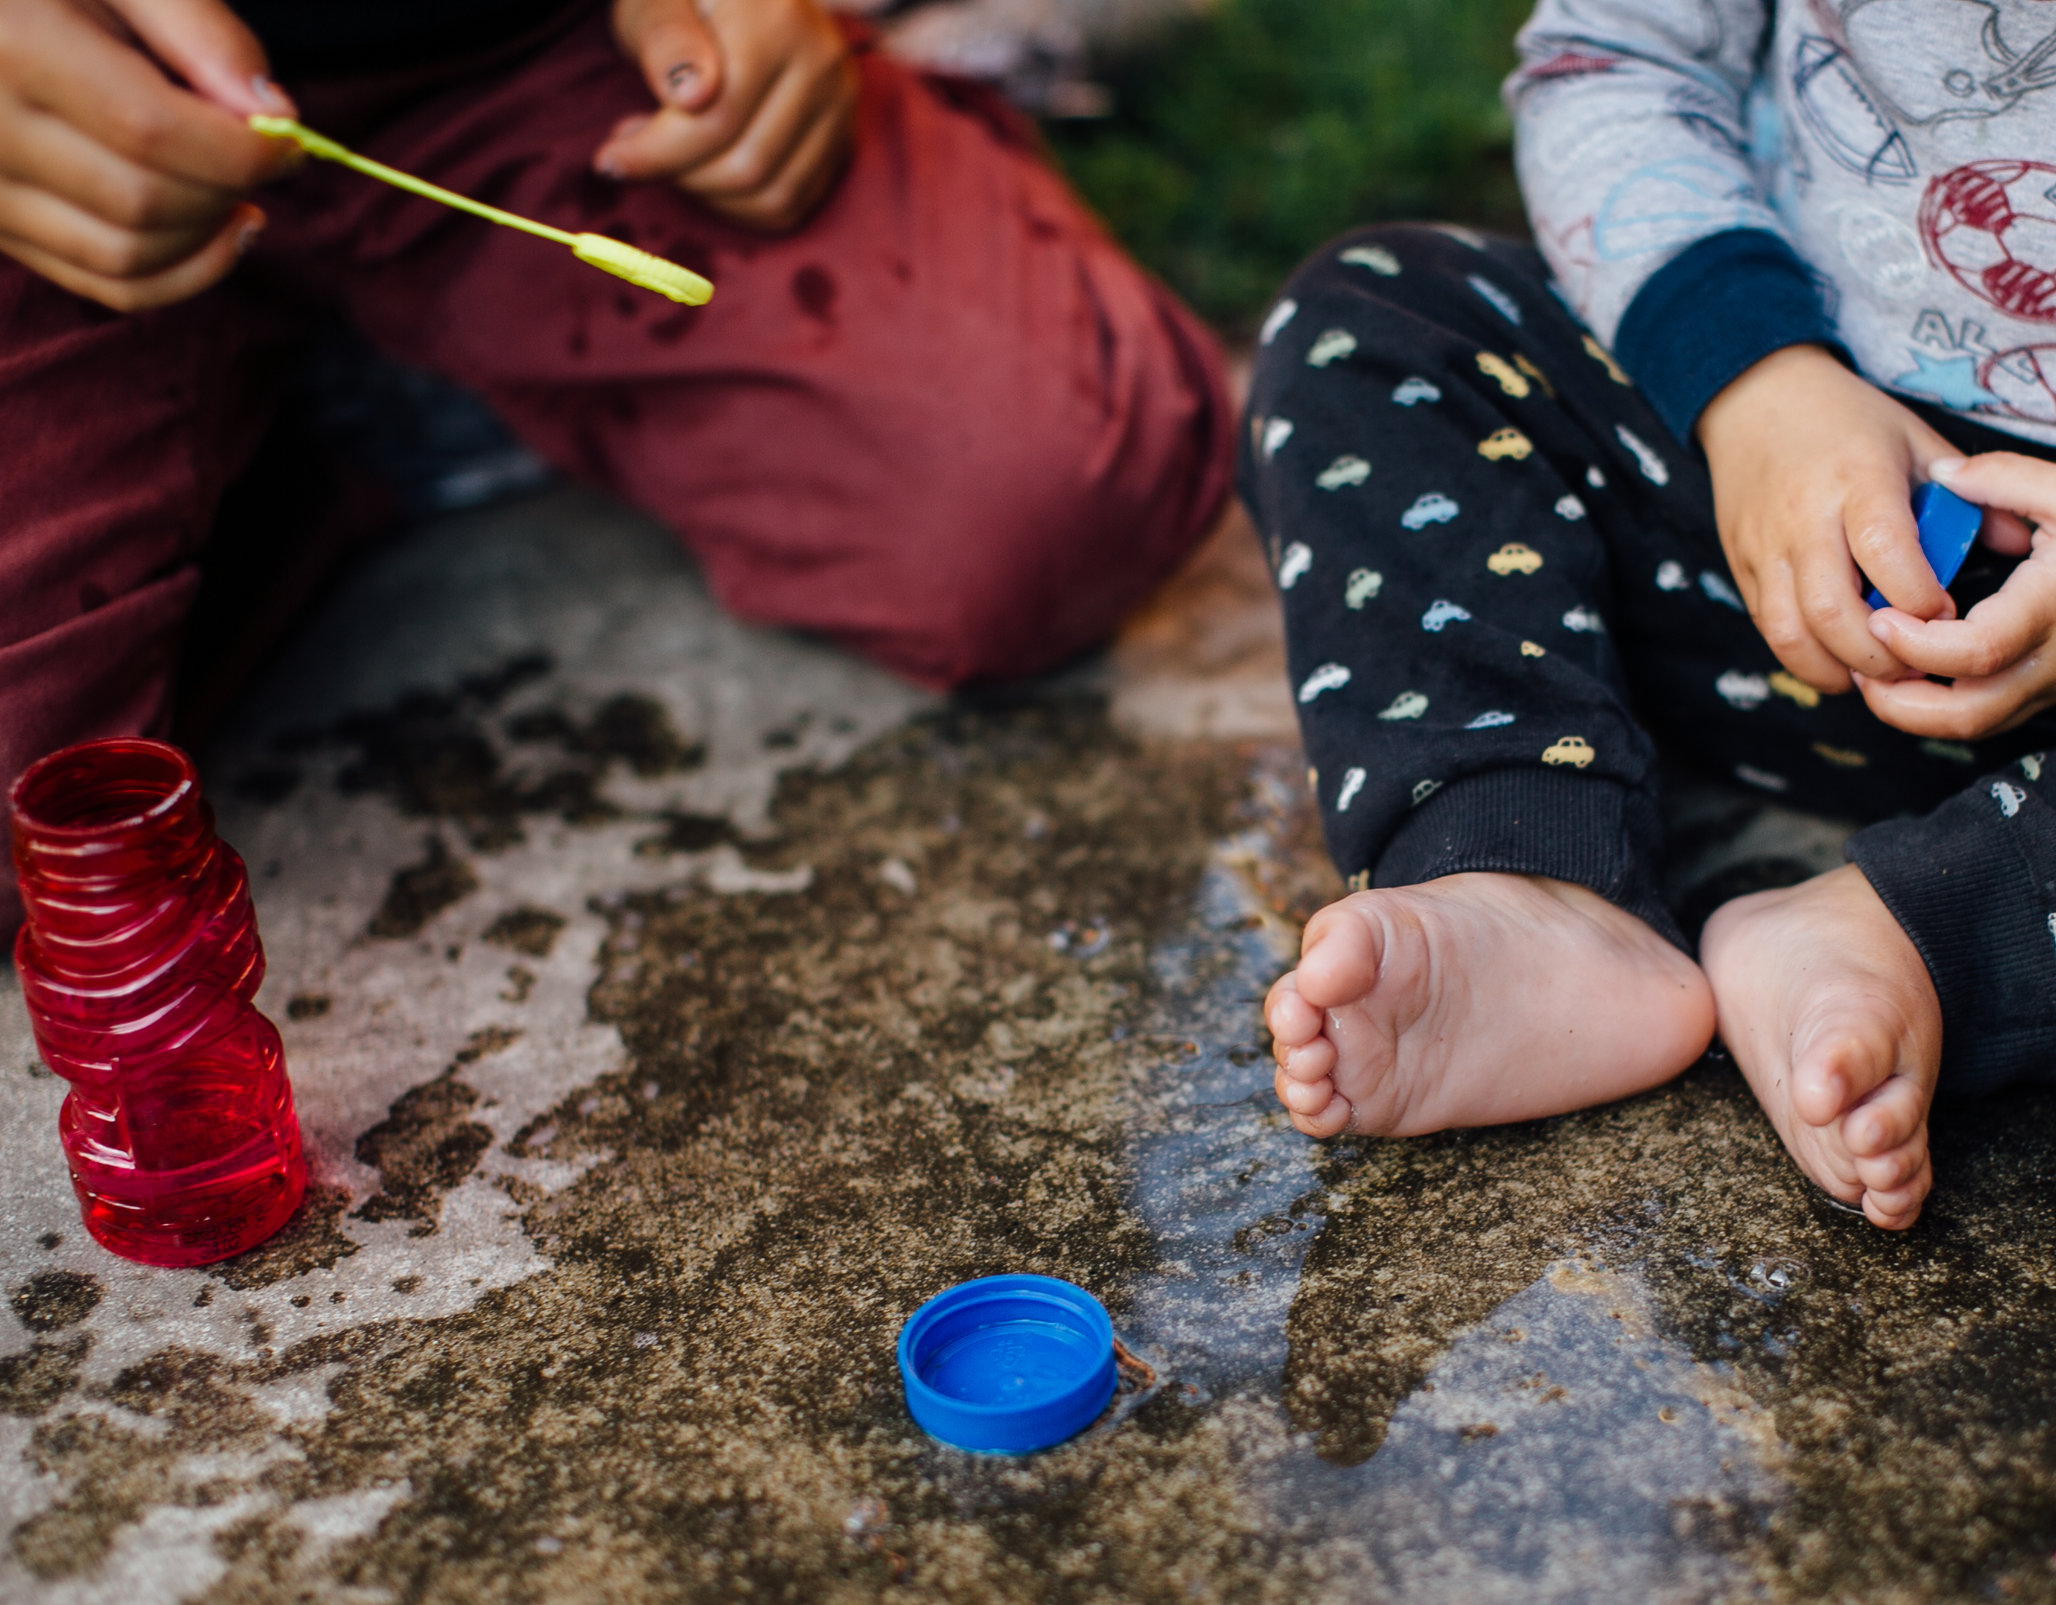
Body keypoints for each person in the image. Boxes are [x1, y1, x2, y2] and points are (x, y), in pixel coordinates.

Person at [1244, 0, 2056, 1228]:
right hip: (1777, 533)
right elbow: (1611, 55)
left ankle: (1930, 926)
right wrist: (1755, 383)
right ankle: (1528, 870)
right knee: (1378, 322)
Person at [0, 0, 1234, 932]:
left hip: (519, 49)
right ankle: (308, 397)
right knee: (36, 857)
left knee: (1030, 491)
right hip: (41, 124)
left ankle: (413, 372)